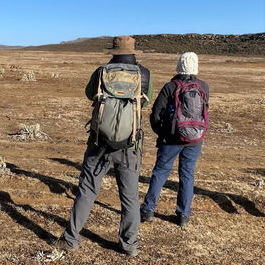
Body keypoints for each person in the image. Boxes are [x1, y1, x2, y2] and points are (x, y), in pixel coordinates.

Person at [56, 36, 153, 256]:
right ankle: (129, 245)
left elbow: (89, 93)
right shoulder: (144, 74)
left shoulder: (101, 72)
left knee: (87, 191)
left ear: (113, 51)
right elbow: (146, 100)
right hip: (130, 145)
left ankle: (71, 240)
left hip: (98, 142)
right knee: (129, 196)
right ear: (133, 51)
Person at [140, 52, 209, 227]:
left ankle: (148, 210)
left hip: (170, 139)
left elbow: (155, 114)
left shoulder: (171, 86)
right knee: (187, 174)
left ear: (179, 65)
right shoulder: (204, 86)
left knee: (161, 171)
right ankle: (184, 215)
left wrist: (162, 133)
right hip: (195, 139)